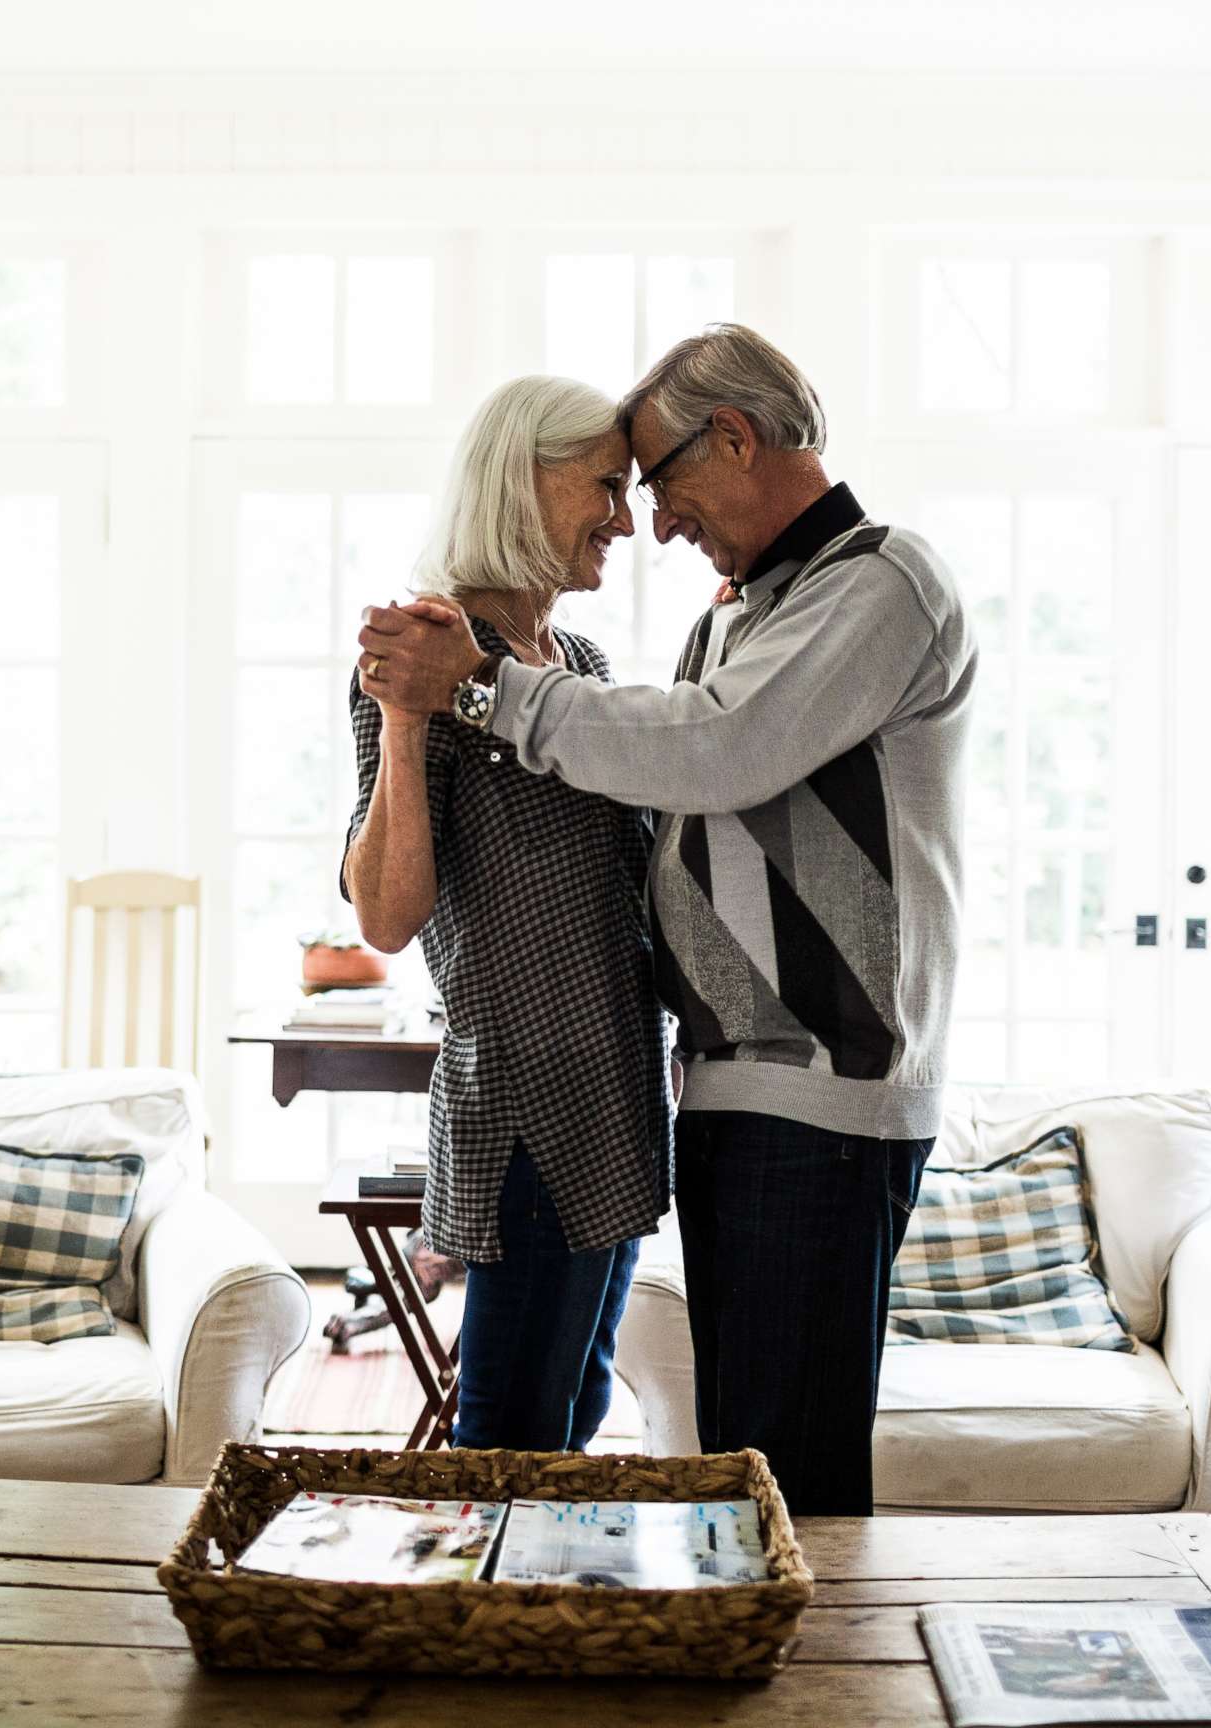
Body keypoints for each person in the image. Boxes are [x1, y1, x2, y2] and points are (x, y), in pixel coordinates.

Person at [354, 325, 975, 1515]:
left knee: (758, 1459)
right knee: (668, 1441)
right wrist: (424, 708)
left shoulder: (872, 582)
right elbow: (404, 901)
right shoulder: (736, 613)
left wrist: (484, 691)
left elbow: (713, 749)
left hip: (788, 1092)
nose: (649, 521)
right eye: (610, 487)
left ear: (734, 438)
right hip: (642, 1092)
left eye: (656, 483)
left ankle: (804, 1686)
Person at [340, 374, 671, 1453]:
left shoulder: (579, 666)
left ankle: (551, 1620)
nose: (624, 520)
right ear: (523, 483)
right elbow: (386, 919)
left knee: (574, 1412)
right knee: (509, 1434)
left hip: (619, 1087)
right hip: (529, 1104)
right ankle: (484, 1623)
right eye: (605, 488)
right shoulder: (428, 649)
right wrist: (401, 721)